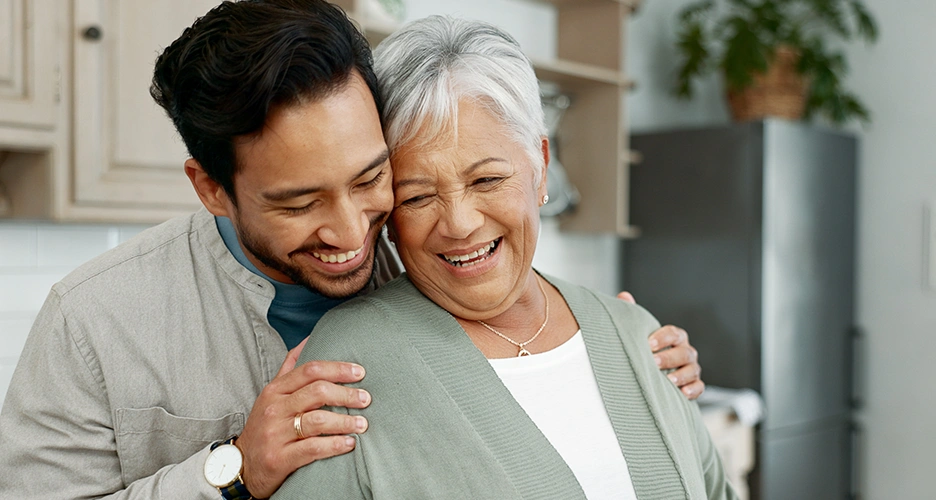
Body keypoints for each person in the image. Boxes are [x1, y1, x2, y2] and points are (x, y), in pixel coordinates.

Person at [0, 1, 703, 498]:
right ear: (211, 188)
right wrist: (233, 469)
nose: (349, 231)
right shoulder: (94, 322)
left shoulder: (423, 253)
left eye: (373, 179)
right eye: (298, 203)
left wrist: (604, 355)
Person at [273, 15, 736, 500]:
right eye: (417, 197)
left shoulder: (638, 334)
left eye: (487, 180)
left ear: (540, 169)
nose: (459, 224)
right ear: (387, 213)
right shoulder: (350, 363)